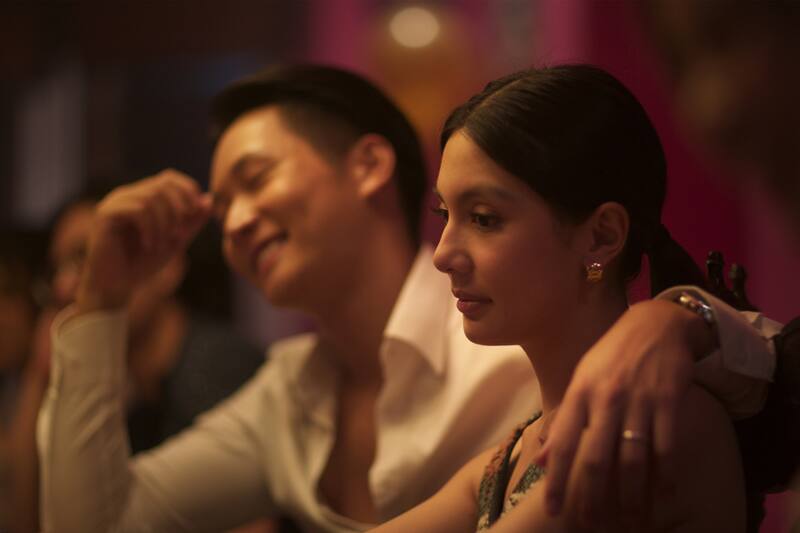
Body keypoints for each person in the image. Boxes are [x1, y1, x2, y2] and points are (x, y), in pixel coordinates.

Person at [37, 64, 773, 532]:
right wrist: (98, 301)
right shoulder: (292, 395)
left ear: (369, 165)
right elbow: (94, 523)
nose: (232, 223)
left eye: (484, 218)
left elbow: (767, 356)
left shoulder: (619, 396)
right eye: (446, 216)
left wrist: (682, 318)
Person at [371, 64, 746, 533]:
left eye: (483, 218)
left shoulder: (648, 423)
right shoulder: (510, 456)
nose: (443, 255)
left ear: (601, 237)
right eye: (445, 214)